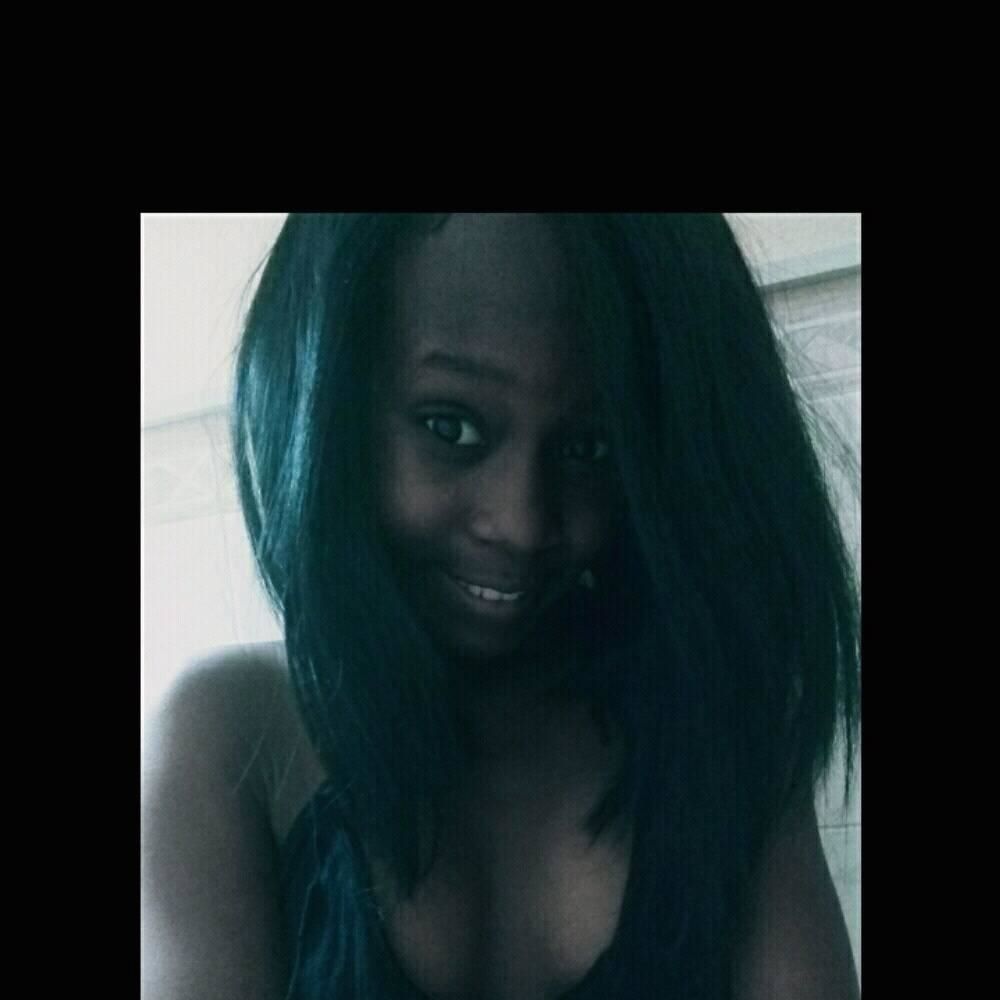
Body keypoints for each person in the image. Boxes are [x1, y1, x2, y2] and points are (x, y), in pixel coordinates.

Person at [141, 213, 861, 1000]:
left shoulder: (725, 726)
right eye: (450, 427)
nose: (521, 523)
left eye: (589, 448)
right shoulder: (234, 736)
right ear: (331, 410)